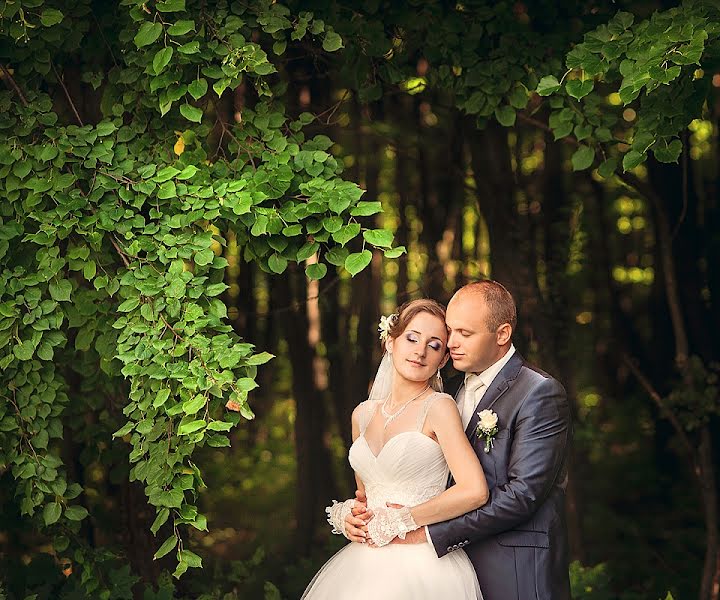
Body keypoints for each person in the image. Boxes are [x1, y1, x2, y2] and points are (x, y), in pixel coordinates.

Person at [345, 281, 572, 600]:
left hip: (512, 567)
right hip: (441, 568)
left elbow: (523, 495)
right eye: (449, 332)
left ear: (502, 334)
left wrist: (425, 531)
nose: (451, 343)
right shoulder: (442, 392)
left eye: (465, 333)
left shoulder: (538, 392)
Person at [302, 299, 488, 599]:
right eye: (412, 338)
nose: (420, 350)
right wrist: (351, 516)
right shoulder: (361, 414)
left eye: (435, 345)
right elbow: (365, 494)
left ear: (442, 360)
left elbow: (475, 490)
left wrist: (406, 519)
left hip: (423, 564)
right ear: (390, 341)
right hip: (362, 564)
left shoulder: (439, 408)